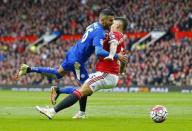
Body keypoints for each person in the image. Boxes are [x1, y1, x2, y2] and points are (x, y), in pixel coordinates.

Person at [16, 9, 127, 118]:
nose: (111, 23)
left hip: (72, 53)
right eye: (110, 21)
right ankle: (60, 103)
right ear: (103, 20)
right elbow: (99, 52)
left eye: (113, 21)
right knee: (82, 90)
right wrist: (117, 56)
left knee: (58, 74)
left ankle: (30, 69)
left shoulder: (94, 25)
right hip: (77, 62)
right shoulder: (101, 32)